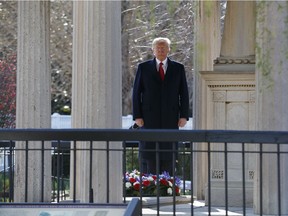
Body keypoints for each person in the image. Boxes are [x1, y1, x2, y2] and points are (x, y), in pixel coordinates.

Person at [132, 37, 189, 175]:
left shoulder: (178, 68)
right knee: (150, 153)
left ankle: (168, 185)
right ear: (153, 50)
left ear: (169, 49)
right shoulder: (143, 67)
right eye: (158, 47)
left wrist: (184, 116)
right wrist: (137, 116)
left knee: (169, 152)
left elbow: (184, 93)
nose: (161, 50)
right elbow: (136, 93)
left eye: (164, 47)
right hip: (148, 118)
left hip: (171, 117)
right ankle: (150, 186)